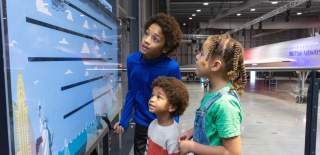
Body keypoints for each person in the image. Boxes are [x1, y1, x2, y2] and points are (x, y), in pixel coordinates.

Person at [113, 13, 183, 155]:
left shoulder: (171, 68)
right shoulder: (132, 60)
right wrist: (123, 121)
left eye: (155, 39)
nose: (146, 40)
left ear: (165, 47)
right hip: (142, 125)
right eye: (146, 34)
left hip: (163, 126)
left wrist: (173, 128)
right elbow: (132, 92)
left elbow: (176, 100)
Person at [179, 34, 247, 155]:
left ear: (215, 65)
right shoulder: (213, 95)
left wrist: (191, 146)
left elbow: (232, 152)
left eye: (202, 54)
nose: (196, 56)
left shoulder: (225, 104)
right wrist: (191, 132)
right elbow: (209, 126)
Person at [146, 76, 189, 155]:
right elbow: (148, 149)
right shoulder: (152, 124)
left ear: (172, 107)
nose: (152, 99)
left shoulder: (173, 135)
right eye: (153, 95)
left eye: (159, 97)